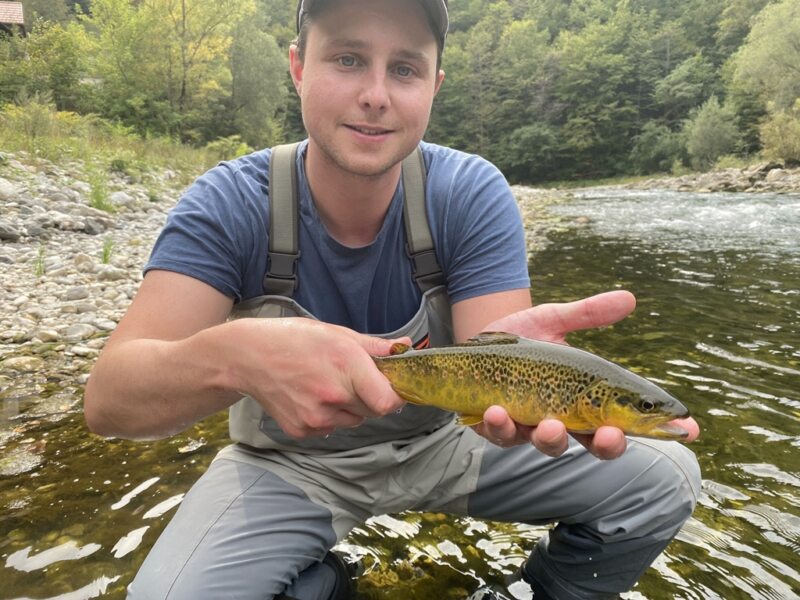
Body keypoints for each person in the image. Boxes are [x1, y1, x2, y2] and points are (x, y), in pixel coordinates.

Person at [83, 0, 701, 598]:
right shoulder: (229, 202)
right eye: (348, 59)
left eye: (404, 68)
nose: (376, 94)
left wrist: (533, 383)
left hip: (447, 443)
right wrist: (235, 356)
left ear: (434, 84)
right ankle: (324, 586)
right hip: (293, 465)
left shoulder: (469, 191)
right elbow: (110, 403)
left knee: (666, 478)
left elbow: (497, 393)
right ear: (298, 68)